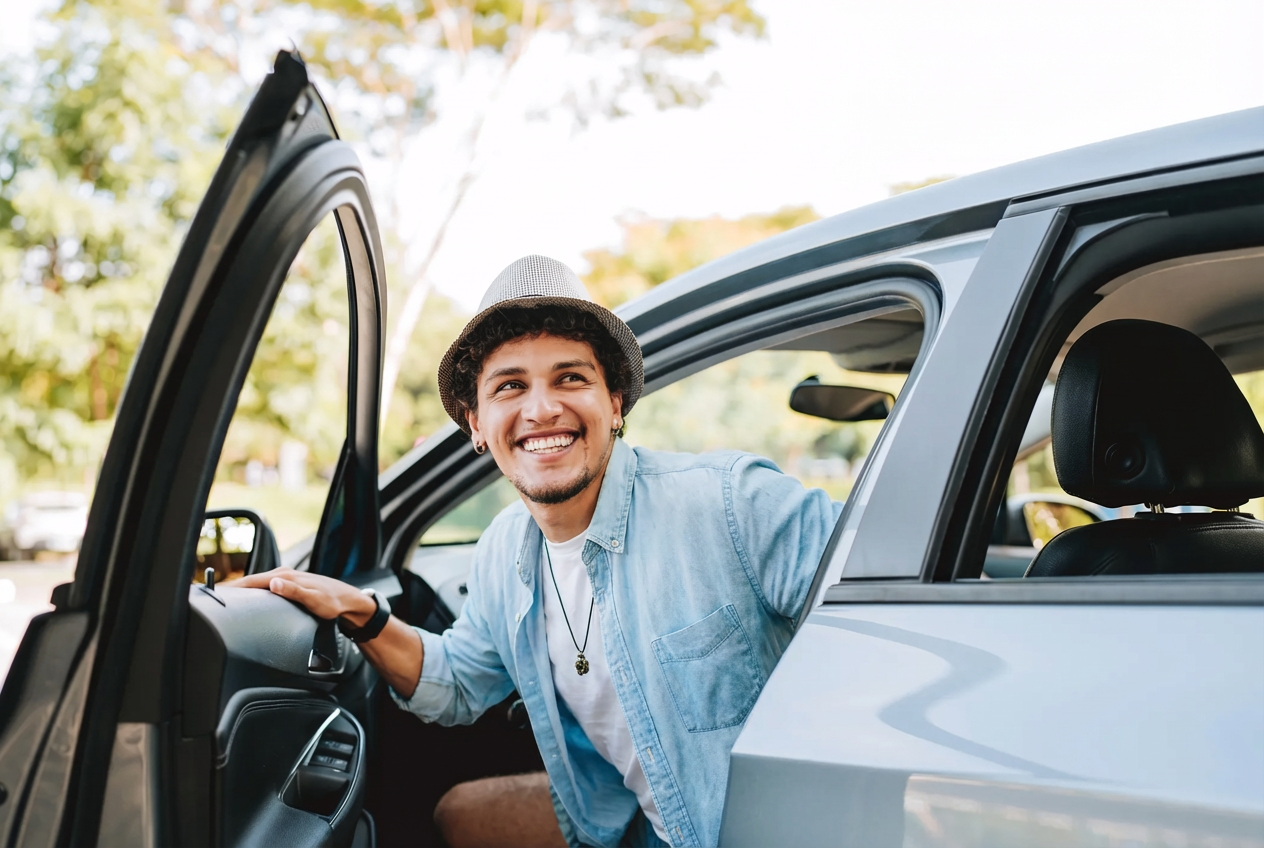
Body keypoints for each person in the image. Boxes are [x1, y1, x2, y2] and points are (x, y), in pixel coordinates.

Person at [236, 256, 841, 847]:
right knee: (459, 814)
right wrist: (358, 612)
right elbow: (458, 684)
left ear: (615, 403)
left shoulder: (733, 502)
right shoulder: (505, 547)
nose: (541, 408)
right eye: (510, 386)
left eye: (570, 377)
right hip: (623, 822)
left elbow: (904, 591)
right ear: (477, 423)